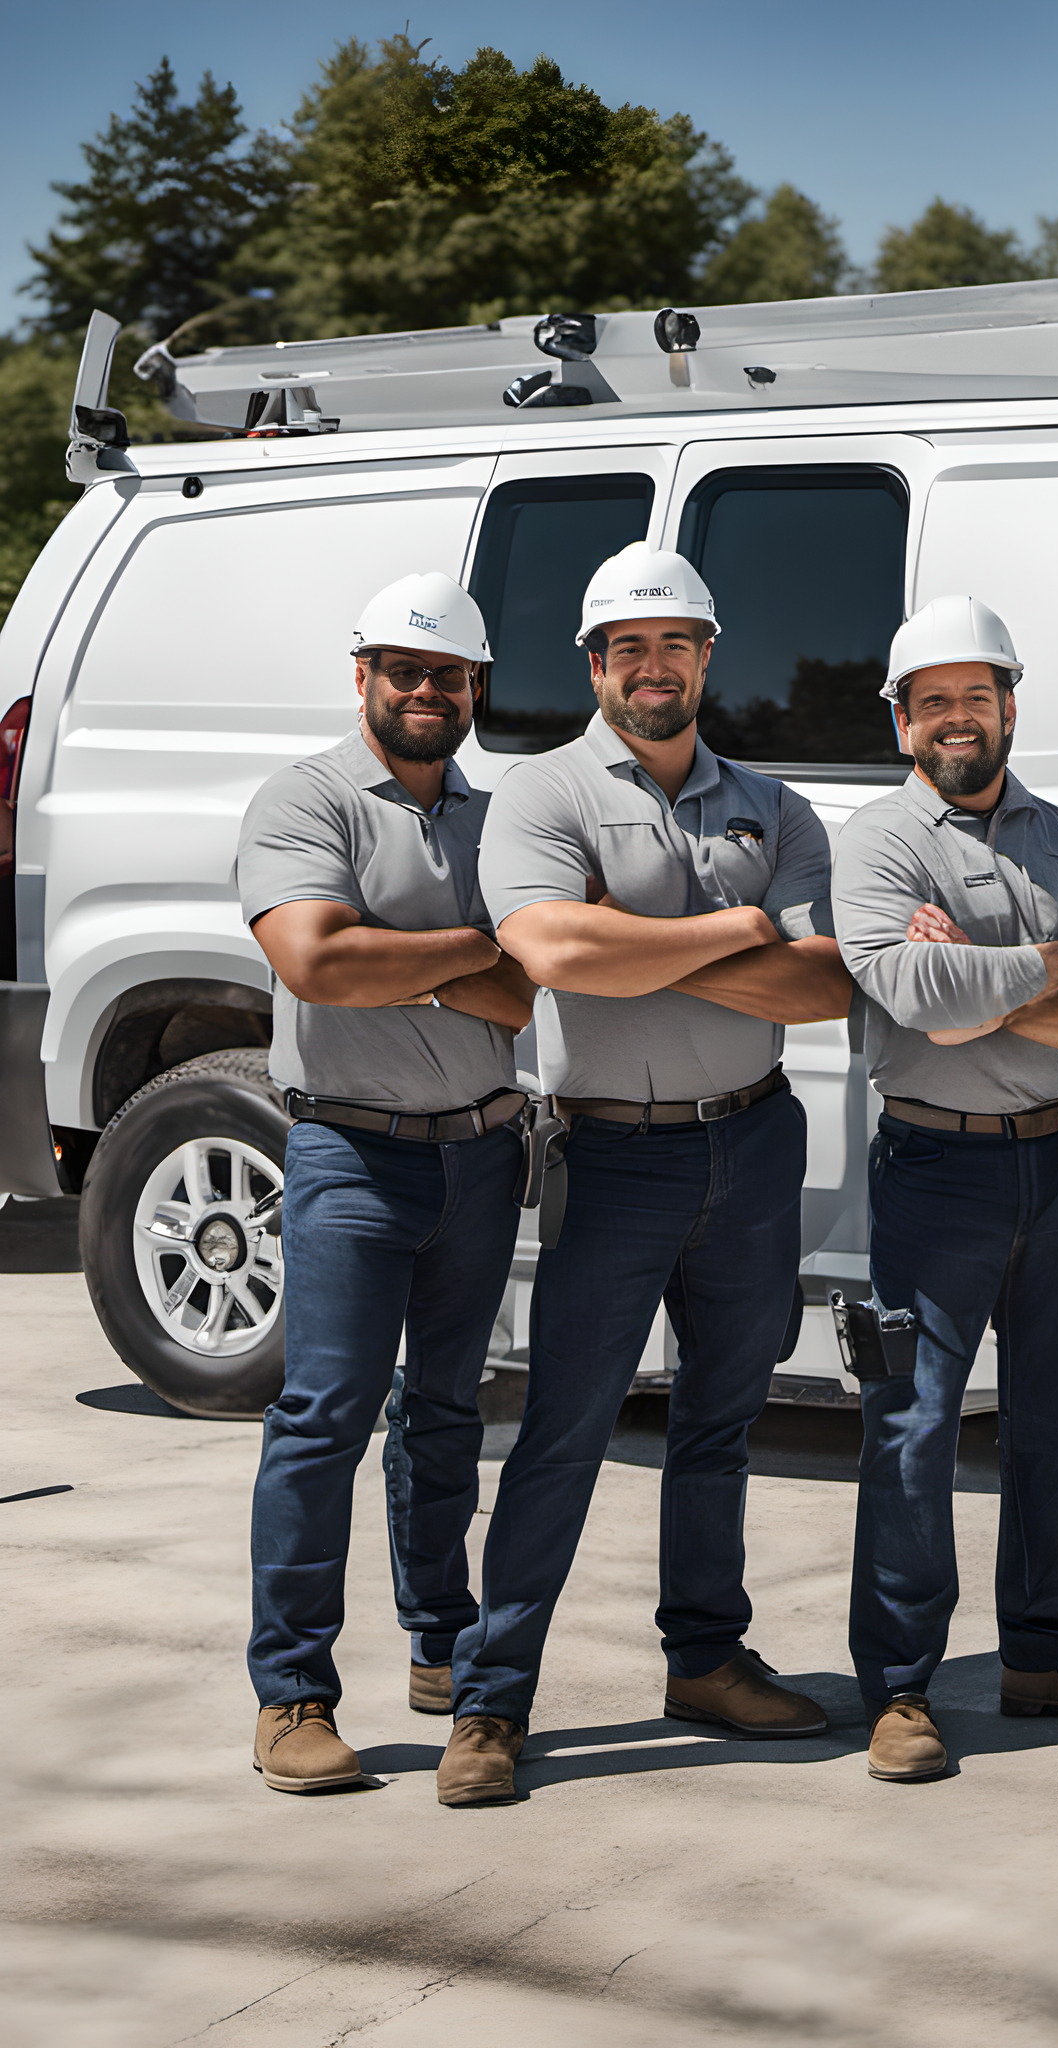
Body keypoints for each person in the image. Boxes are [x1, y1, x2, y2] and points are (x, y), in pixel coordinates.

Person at [444, 542, 851, 1806]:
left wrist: (639, 947)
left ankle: (706, 1657)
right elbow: (552, 946)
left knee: (721, 1424)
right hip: (610, 1150)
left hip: (753, 1137)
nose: (654, 663)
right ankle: (490, 1698)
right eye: (629, 645)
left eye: (675, 641)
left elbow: (823, 981)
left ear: (706, 655)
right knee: (564, 1427)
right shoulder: (540, 792)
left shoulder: (772, 804)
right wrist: (735, 929)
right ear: (594, 662)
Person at [832, 594, 1058, 1784]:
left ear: (1009, 706)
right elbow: (911, 995)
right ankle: (901, 1687)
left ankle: (1046, 1650)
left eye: (977, 694)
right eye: (932, 701)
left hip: (1054, 1158)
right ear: (901, 722)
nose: (956, 718)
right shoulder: (877, 842)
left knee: (1056, 1417)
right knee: (914, 1427)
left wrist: (980, 974)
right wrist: (1050, 960)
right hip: (934, 1166)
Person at [237, 571, 536, 1793]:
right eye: (404, 669)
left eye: (449, 673)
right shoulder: (306, 797)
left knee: (449, 1409)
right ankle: (293, 1691)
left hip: (481, 1149)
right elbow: (311, 956)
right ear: (362, 676)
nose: (426, 690)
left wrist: (395, 957)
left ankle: (437, 1637)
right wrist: (469, 951)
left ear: (475, 689)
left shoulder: (498, 817)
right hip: (350, 1152)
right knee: (324, 1417)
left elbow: (531, 993)